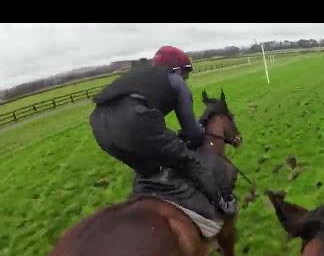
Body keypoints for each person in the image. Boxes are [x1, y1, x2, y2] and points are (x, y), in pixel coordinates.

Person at [89, 45, 236, 217]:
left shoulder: (140, 75)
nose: (186, 79)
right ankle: (224, 204)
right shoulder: (175, 80)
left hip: (99, 128)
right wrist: (193, 139)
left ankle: (144, 200)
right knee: (191, 161)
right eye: (186, 74)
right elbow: (193, 133)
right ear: (177, 69)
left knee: (148, 171)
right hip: (134, 123)